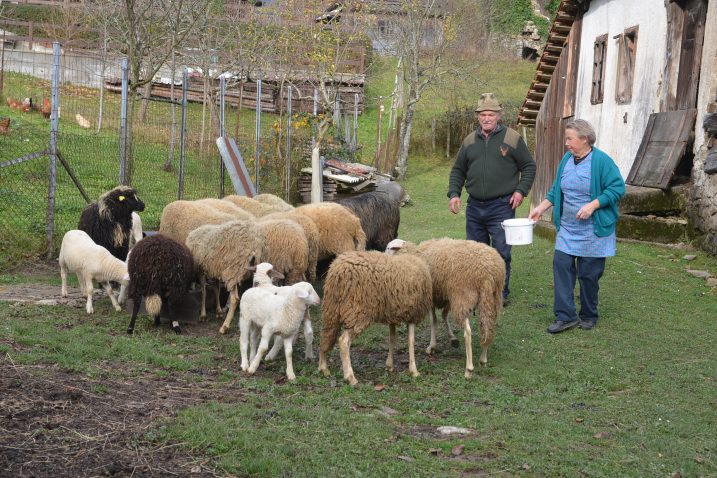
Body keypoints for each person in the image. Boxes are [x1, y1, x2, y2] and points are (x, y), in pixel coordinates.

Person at [528, 119, 625, 333]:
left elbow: (618, 188)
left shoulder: (601, 161)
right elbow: (556, 190)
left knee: (588, 275)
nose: (566, 143)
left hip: (593, 230)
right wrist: (541, 208)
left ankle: (589, 314)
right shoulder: (567, 159)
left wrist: (593, 205)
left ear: (584, 139)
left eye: (570, 139)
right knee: (561, 266)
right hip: (568, 228)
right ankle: (565, 316)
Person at [447, 93, 536, 306]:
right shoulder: (469, 141)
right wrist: (454, 194)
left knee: (501, 252)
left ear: (498, 115)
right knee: (475, 254)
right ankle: (478, 293)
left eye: (491, 114)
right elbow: (458, 170)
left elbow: (529, 166)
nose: (487, 118)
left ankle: (499, 294)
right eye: (483, 115)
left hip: (502, 206)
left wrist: (521, 191)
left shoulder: (512, 138)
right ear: (478, 116)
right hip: (475, 207)